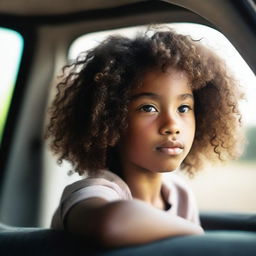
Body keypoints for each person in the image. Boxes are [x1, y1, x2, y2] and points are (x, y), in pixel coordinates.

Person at [45, 27, 244, 248]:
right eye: (148, 108)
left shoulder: (180, 195)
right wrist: (196, 234)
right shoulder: (92, 190)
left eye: (184, 107)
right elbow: (113, 223)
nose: (172, 125)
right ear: (110, 121)